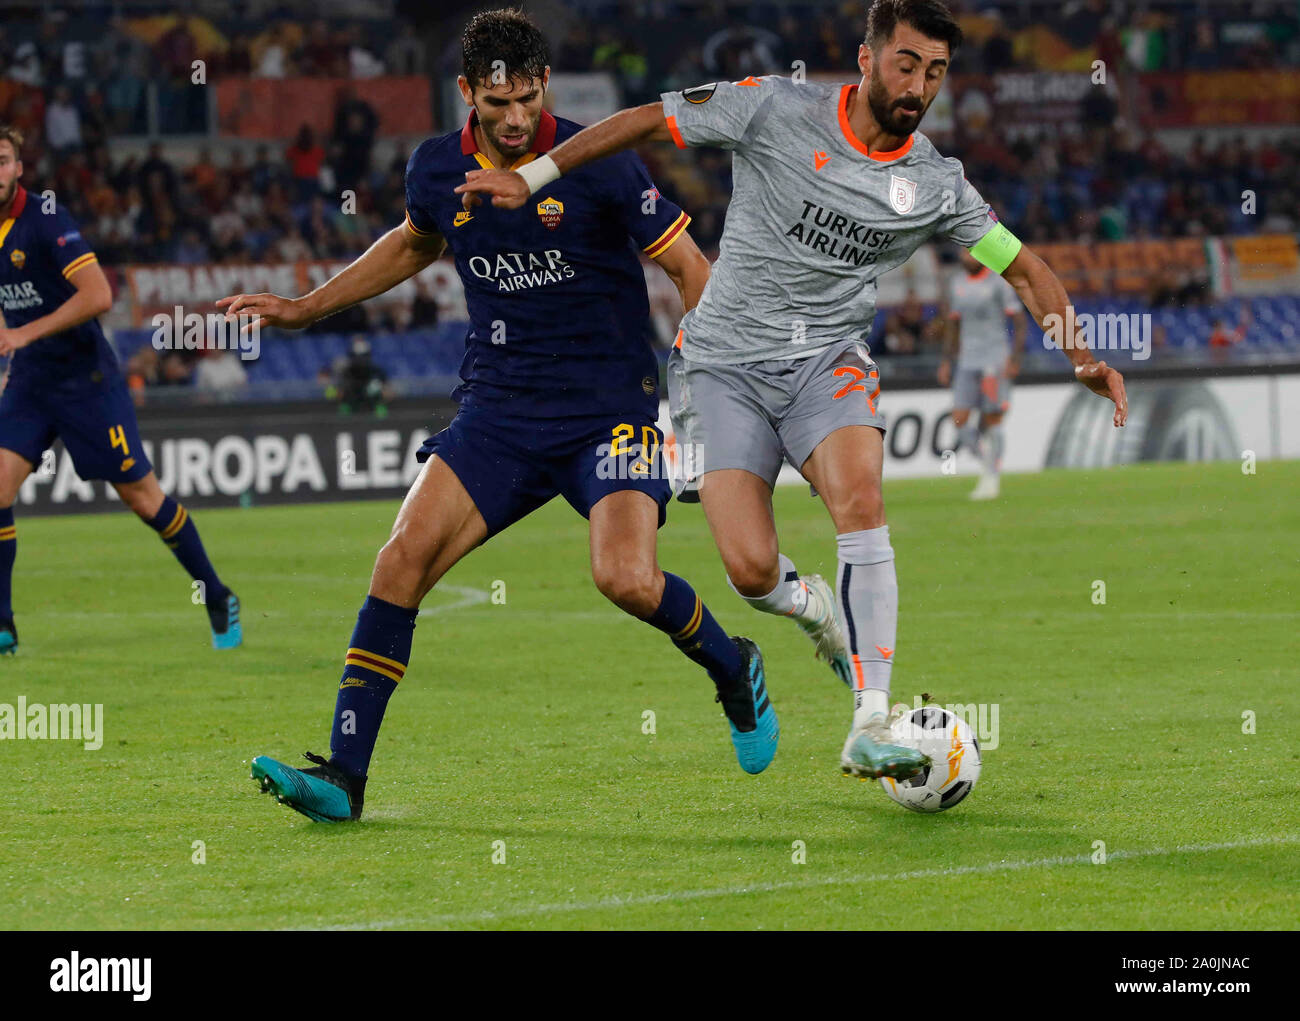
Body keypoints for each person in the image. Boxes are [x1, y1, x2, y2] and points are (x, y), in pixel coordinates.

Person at [457, 0, 1128, 782]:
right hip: (721, 367)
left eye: (936, 72)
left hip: (826, 364)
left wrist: (1079, 351)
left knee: (860, 500)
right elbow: (643, 121)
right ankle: (814, 609)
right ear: (869, 58)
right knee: (748, 569)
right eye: (907, 64)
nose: (919, 86)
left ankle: (870, 720)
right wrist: (535, 173)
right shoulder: (773, 106)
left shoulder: (935, 182)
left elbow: (1022, 265)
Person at [219, 9, 785, 823]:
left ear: (544, 86)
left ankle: (733, 667)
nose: (515, 121)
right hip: (500, 410)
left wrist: (707, 395)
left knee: (624, 576)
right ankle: (344, 776)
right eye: (497, 107)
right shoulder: (434, 170)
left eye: (526, 100)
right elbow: (415, 243)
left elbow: (694, 272)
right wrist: (308, 307)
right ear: (466, 95)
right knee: (399, 559)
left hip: (609, 413)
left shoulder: (599, 164)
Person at [0, 127, 240, 655]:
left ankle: (218, 595)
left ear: (19, 167)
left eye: (2, 160)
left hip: (86, 381)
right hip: (31, 382)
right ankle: (4, 626)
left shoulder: (44, 220)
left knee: (143, 499)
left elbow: (99, 295)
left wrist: (20, 334)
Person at [938, 247, 1027, 499]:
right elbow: (953, 325)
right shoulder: (956, 283)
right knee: (959, 420)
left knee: (992, 420)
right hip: (967, 361)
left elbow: (1019, 322)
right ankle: (988, 465)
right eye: (963, 254)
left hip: (994, 360)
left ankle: (992, 478)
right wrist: (946, 361)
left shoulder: (998, 282)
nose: (966, 258)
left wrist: (1014, 358)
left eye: (971, 254)